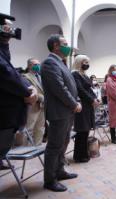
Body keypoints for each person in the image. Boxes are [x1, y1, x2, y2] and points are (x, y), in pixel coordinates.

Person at [41, 34, 82, 192]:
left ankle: (59, 170)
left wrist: (75, 101)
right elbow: (59, 88)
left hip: (67, 111)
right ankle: (49, 180)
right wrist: (74, 103)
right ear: (56, 46)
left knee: (64, 143)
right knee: (54, 146)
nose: (68, 46)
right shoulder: (49, 63)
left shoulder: (60, 62)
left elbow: (69, 85)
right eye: (65, 43)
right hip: (59, 112)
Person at [0, 16, 38, 170]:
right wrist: (27, 92)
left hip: (8, 114)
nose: (11, 31)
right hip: (4, 113)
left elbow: (14, 72)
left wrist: (29, 87)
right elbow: (6, 73)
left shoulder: (3, 49)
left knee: (4, 145)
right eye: (7, 27)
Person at [72, 55, 99, 163]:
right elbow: (80, 90)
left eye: (87, 62)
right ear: (79, 62)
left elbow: (88, 89)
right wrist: (91, 100)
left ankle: (84, 153)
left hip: (88, 105)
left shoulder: (84, 75)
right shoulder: (75, 74)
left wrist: (96, 99)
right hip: (82, 105)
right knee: (81, 131)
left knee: (86, 130)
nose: (86, 64)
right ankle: (79, 155)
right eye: (84, 62)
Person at [24, 58, 45, 145]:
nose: (38, 66)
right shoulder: (25, 77)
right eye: (35, 64)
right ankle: (27, 147)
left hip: (41, 106)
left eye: (38, 64)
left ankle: (38, 145)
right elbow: (30, 91)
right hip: (32, 106)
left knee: (40, 128)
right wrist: (43, 97)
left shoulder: (40, 76)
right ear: (29, 65)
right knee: (29, 128)